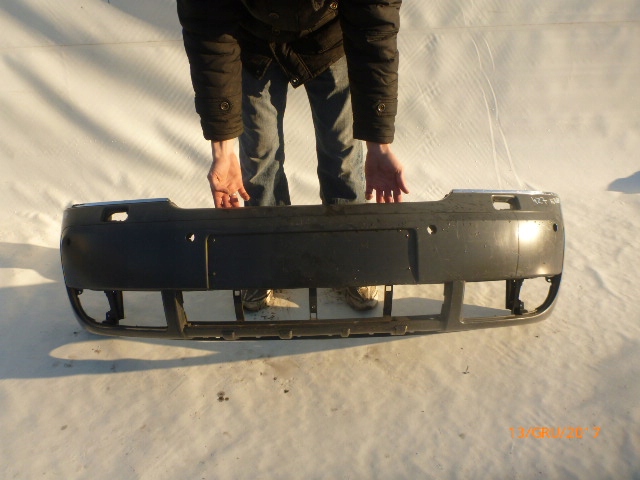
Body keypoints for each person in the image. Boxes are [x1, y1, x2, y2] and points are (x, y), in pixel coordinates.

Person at [177, 0, 408, 311]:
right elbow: (207, 29)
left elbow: (375, 27)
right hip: (253, 37)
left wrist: (379, 146)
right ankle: (269, 253)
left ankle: (350, 252)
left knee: (342, 151)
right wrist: (223, 149)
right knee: (259, 157)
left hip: (328, 35)